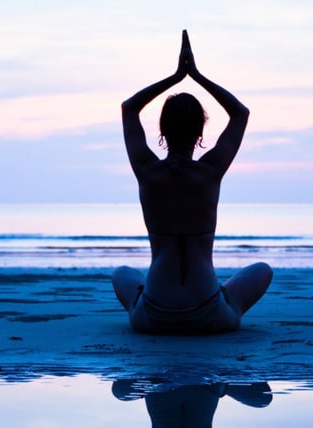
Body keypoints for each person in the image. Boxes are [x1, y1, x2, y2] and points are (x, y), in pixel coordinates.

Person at [112, 30, 272, 334]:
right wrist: (196, 76)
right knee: (262, 270)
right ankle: (225, 298)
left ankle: (140, 301)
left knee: (121, 273)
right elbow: (240, 114)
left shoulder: (148, 171)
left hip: (153, 317)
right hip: (208, 314)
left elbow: (129, 108)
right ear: (201, 133)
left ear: (161, 131)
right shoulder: (209, 171)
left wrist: (175, 77)